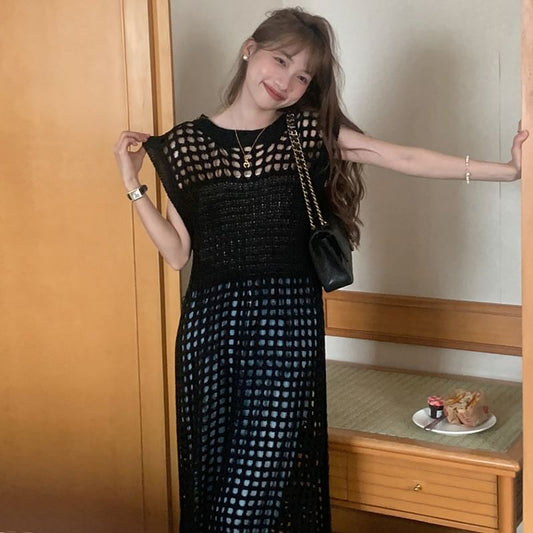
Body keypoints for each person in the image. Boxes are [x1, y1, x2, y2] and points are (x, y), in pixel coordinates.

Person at [113, 7, 528, 532]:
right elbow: (177, 253)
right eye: (280, 60)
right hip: (210, 334)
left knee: (249, 499)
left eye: (303, 76)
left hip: (286, 330)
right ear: (250, 50)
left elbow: (400, 158)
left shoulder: (306, 132)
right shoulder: (185, 144)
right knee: (217, 486)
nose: (286, 81)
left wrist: (506, 171)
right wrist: (134, 186)